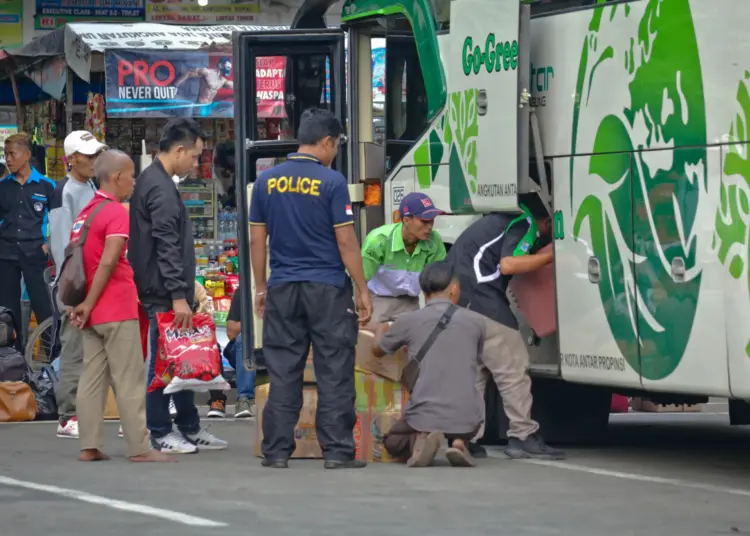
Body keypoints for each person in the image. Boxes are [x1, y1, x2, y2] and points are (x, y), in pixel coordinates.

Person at [250, 108, 372, 469]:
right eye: (335, 145)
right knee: (334, 369)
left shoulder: (266, 182)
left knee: (283, 369)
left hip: (283, 287)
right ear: (326, 142)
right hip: (328, 288)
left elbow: (258, 241)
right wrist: (362, 288)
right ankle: (336, 452)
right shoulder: (332, 182)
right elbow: (346, 240)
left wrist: (260, 286)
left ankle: (275, 451)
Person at [129, 118, 227, 454]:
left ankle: (189, 426)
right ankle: (160, 431)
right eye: (196, 156)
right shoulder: (159, 186)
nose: (196, 163)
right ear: (180, 149)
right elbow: (165, 245)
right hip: (163, 294)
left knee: (184, 359)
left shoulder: (157, 181)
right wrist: (177, 295)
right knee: (163, 364)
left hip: (169, 290)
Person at [67, 150, 172, 463]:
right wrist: (90, 301)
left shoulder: (87, 211)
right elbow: (110, 260)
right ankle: (140, 447)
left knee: (92, 378)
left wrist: (84, 303)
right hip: (113, 306)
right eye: (130, 175)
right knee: (129, 378)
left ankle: (89, 445)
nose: (133, 181)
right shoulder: (115, 212)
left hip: (90, 310)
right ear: (115, 177)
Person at [447, 194, 566, 460]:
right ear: (547, 221)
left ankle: (465, 438)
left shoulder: (495, 219)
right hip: (484, 300)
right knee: (513, 369)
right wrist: (552, 257)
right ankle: (522, 435)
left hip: (458, 301)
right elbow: (509, 263)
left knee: (476, 373)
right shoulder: (524, 223)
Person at [371, 261, 485, 467]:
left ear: (423, 291)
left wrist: (381, 327)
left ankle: (422, 438)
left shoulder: (408, 320)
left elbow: (377, 351)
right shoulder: (476, 321)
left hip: (423, 413)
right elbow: (474, 357)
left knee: (393, 442)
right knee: (464, 400)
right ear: (454, 288)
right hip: (469, 416)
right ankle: (459, 442)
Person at [49, 130, 107, 439]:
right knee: (73, 347)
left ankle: (84, 409)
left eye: (97, 154)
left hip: (93, 279)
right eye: (90, 156)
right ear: (72, 159)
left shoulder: (91, 186)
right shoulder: (65, 192)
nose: (95, 160)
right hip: (75, 281)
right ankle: (67, 415)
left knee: (94, 347)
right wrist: (70, 290)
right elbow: (61, 245)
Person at [0, 133, 56, 352]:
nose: (8, 159)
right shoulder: (3, 186)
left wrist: (48, 243)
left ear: (27, 155)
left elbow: (59, 219)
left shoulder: (46, 186)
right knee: (7, 309)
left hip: (35, 253)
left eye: (12, 154)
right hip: (5, 254)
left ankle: (50, 357)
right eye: (6, 155)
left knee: (44, 307)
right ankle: (11, 359)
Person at [361, 192, 446, 322]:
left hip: (410, 302)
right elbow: (360, 279)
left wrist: (434, 312)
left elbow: (436, 282)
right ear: (406, 220)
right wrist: (362, 306)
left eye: (432, 220)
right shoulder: (379, 240)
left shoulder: (434, 241)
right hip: (378, 300)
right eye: (424, 221)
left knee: (417, 339)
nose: (429, 226)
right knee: (370, 339)